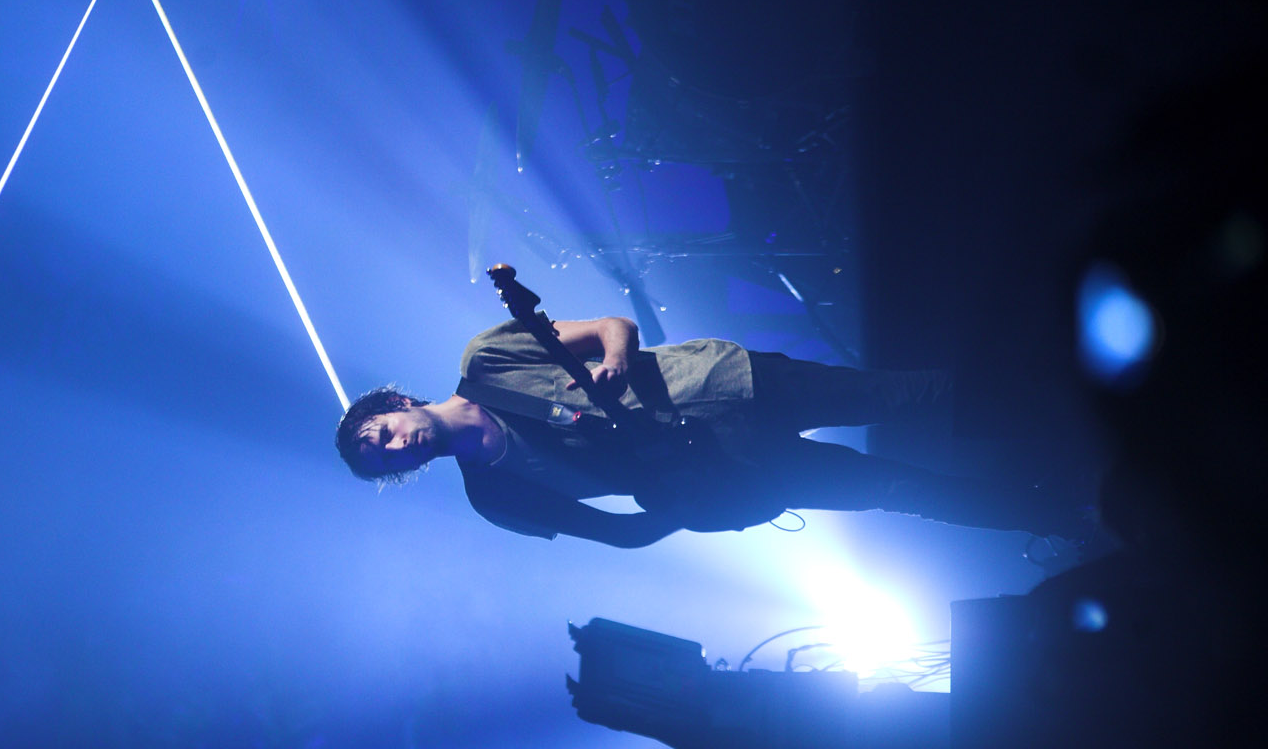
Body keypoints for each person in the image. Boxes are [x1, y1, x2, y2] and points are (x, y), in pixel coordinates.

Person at [336, 316, 1089, 546]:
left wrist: (617, 364)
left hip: (725, 383)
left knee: (903, 396)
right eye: (384, 460)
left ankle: (1078, 394)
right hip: (733, 474)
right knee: (898, 491)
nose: (394, 446)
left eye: (381, 432)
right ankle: (1063, 513)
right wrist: (686, 499)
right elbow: (619, 534)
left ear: (394, 403)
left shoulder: (487, 358)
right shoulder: (495, 498)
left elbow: (611, 327)